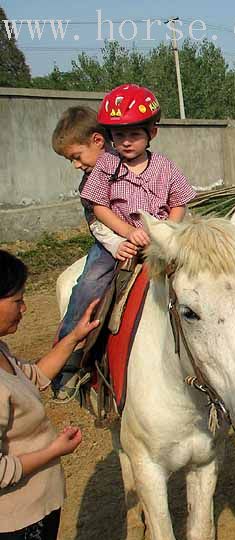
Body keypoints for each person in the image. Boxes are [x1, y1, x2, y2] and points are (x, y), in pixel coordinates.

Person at [0, 250, 99, 540]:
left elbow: (34, 375)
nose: (24, 308)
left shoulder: (1, 351)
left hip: (35, 514)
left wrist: (74, 338)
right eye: (17, 300)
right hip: (16, 528)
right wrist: (54, 450)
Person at [50, 106, 138, 400]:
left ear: (98, 141)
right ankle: (68, 360)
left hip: (149, 234)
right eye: (71, 159)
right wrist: (116, 244)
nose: (75, 165)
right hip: (111, 243)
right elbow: (95, 222)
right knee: (88, 285)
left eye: (76, 156)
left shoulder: (136, 162)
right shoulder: (89, 182)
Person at [80, 83, 196, 259]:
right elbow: (99, 207)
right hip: (122, 241)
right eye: (119, 135)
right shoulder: (106, 164)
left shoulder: (165, 166)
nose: (126, 142)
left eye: (134, 135)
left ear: (152, 133)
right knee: (91, 283)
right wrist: (128, 232)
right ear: (111, 136)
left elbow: (178, 203)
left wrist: (167, 232)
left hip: (165, 240)